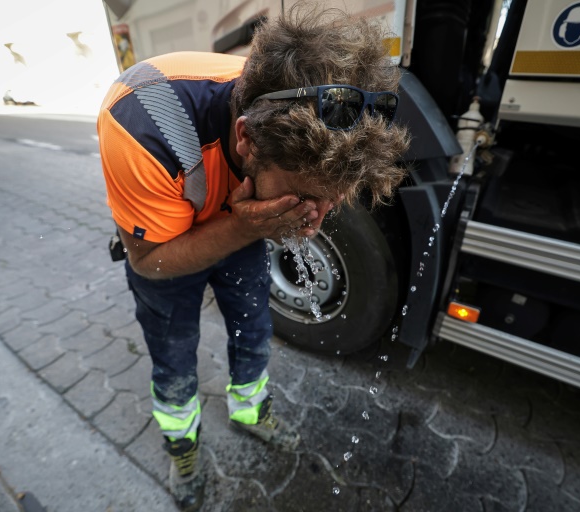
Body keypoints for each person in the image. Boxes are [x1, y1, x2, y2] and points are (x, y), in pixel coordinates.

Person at [97, 5, 410, 510]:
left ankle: (249, 411)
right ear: (245, 137)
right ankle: (182, 443)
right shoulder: (140, 124)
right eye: (306, 197)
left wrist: (258, 218)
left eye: (330, 202)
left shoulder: (303, 115)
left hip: (238, 224)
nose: (314, 218)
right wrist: (243, 223)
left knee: (253, 326)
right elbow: (149, 262)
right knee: (174, 350)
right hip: (165, 242)